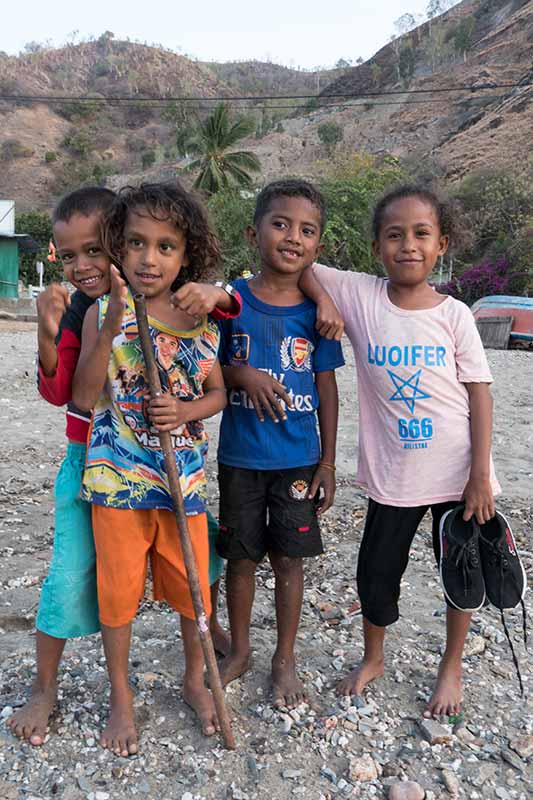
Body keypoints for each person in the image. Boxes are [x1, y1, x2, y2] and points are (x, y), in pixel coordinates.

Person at [301, 184, 502, 718]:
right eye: (394, 235)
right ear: (376, 248)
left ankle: (451, 666)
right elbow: (302, 265)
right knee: (375, 574)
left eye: (421, 234)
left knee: (461, 574)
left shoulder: (455, 313)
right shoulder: (363, 295)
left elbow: (479, 394)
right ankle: (374, 658)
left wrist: (480, 475)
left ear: (442, 244)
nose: (407, 245)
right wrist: (324, 300)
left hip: (459, 474)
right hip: (394, 478)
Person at [72, 182, 233, 755]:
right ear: (117, 245)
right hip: (118, 482)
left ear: (186, 254)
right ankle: (120, 695)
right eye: (136, 243)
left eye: (166, 246)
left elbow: (218, 394)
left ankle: (196, 678)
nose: (148, 258)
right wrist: (114, 319)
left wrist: (186, 409)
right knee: (118, 594)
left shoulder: (201, 319)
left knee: (193, 589)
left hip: (181, 482)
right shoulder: (101, 313)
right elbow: (85, 398)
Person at [216, 179, 345, 709]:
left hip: (297, 459)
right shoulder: (231, 302)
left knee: (290, 562)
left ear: (316, 246)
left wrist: (329, 463)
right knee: (241, 560)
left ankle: (283, 659)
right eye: (280, 224)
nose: (293, 237)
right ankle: (241, 649)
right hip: (239, 460)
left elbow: (327, 388)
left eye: (307, 230)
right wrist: (240, 373)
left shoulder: (317, 315)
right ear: (255, 232)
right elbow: (206, 366)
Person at [8, 186, 116, 747]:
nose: (81, 266)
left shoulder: (161, 298)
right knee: (70, 568)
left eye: (94, 250)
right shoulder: (77, 310)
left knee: (189, 555)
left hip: (154, 460)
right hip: (87, 458)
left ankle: (207, 643)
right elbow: (63, 392)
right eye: (69, 256)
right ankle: (44, 685)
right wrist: (49, 336)